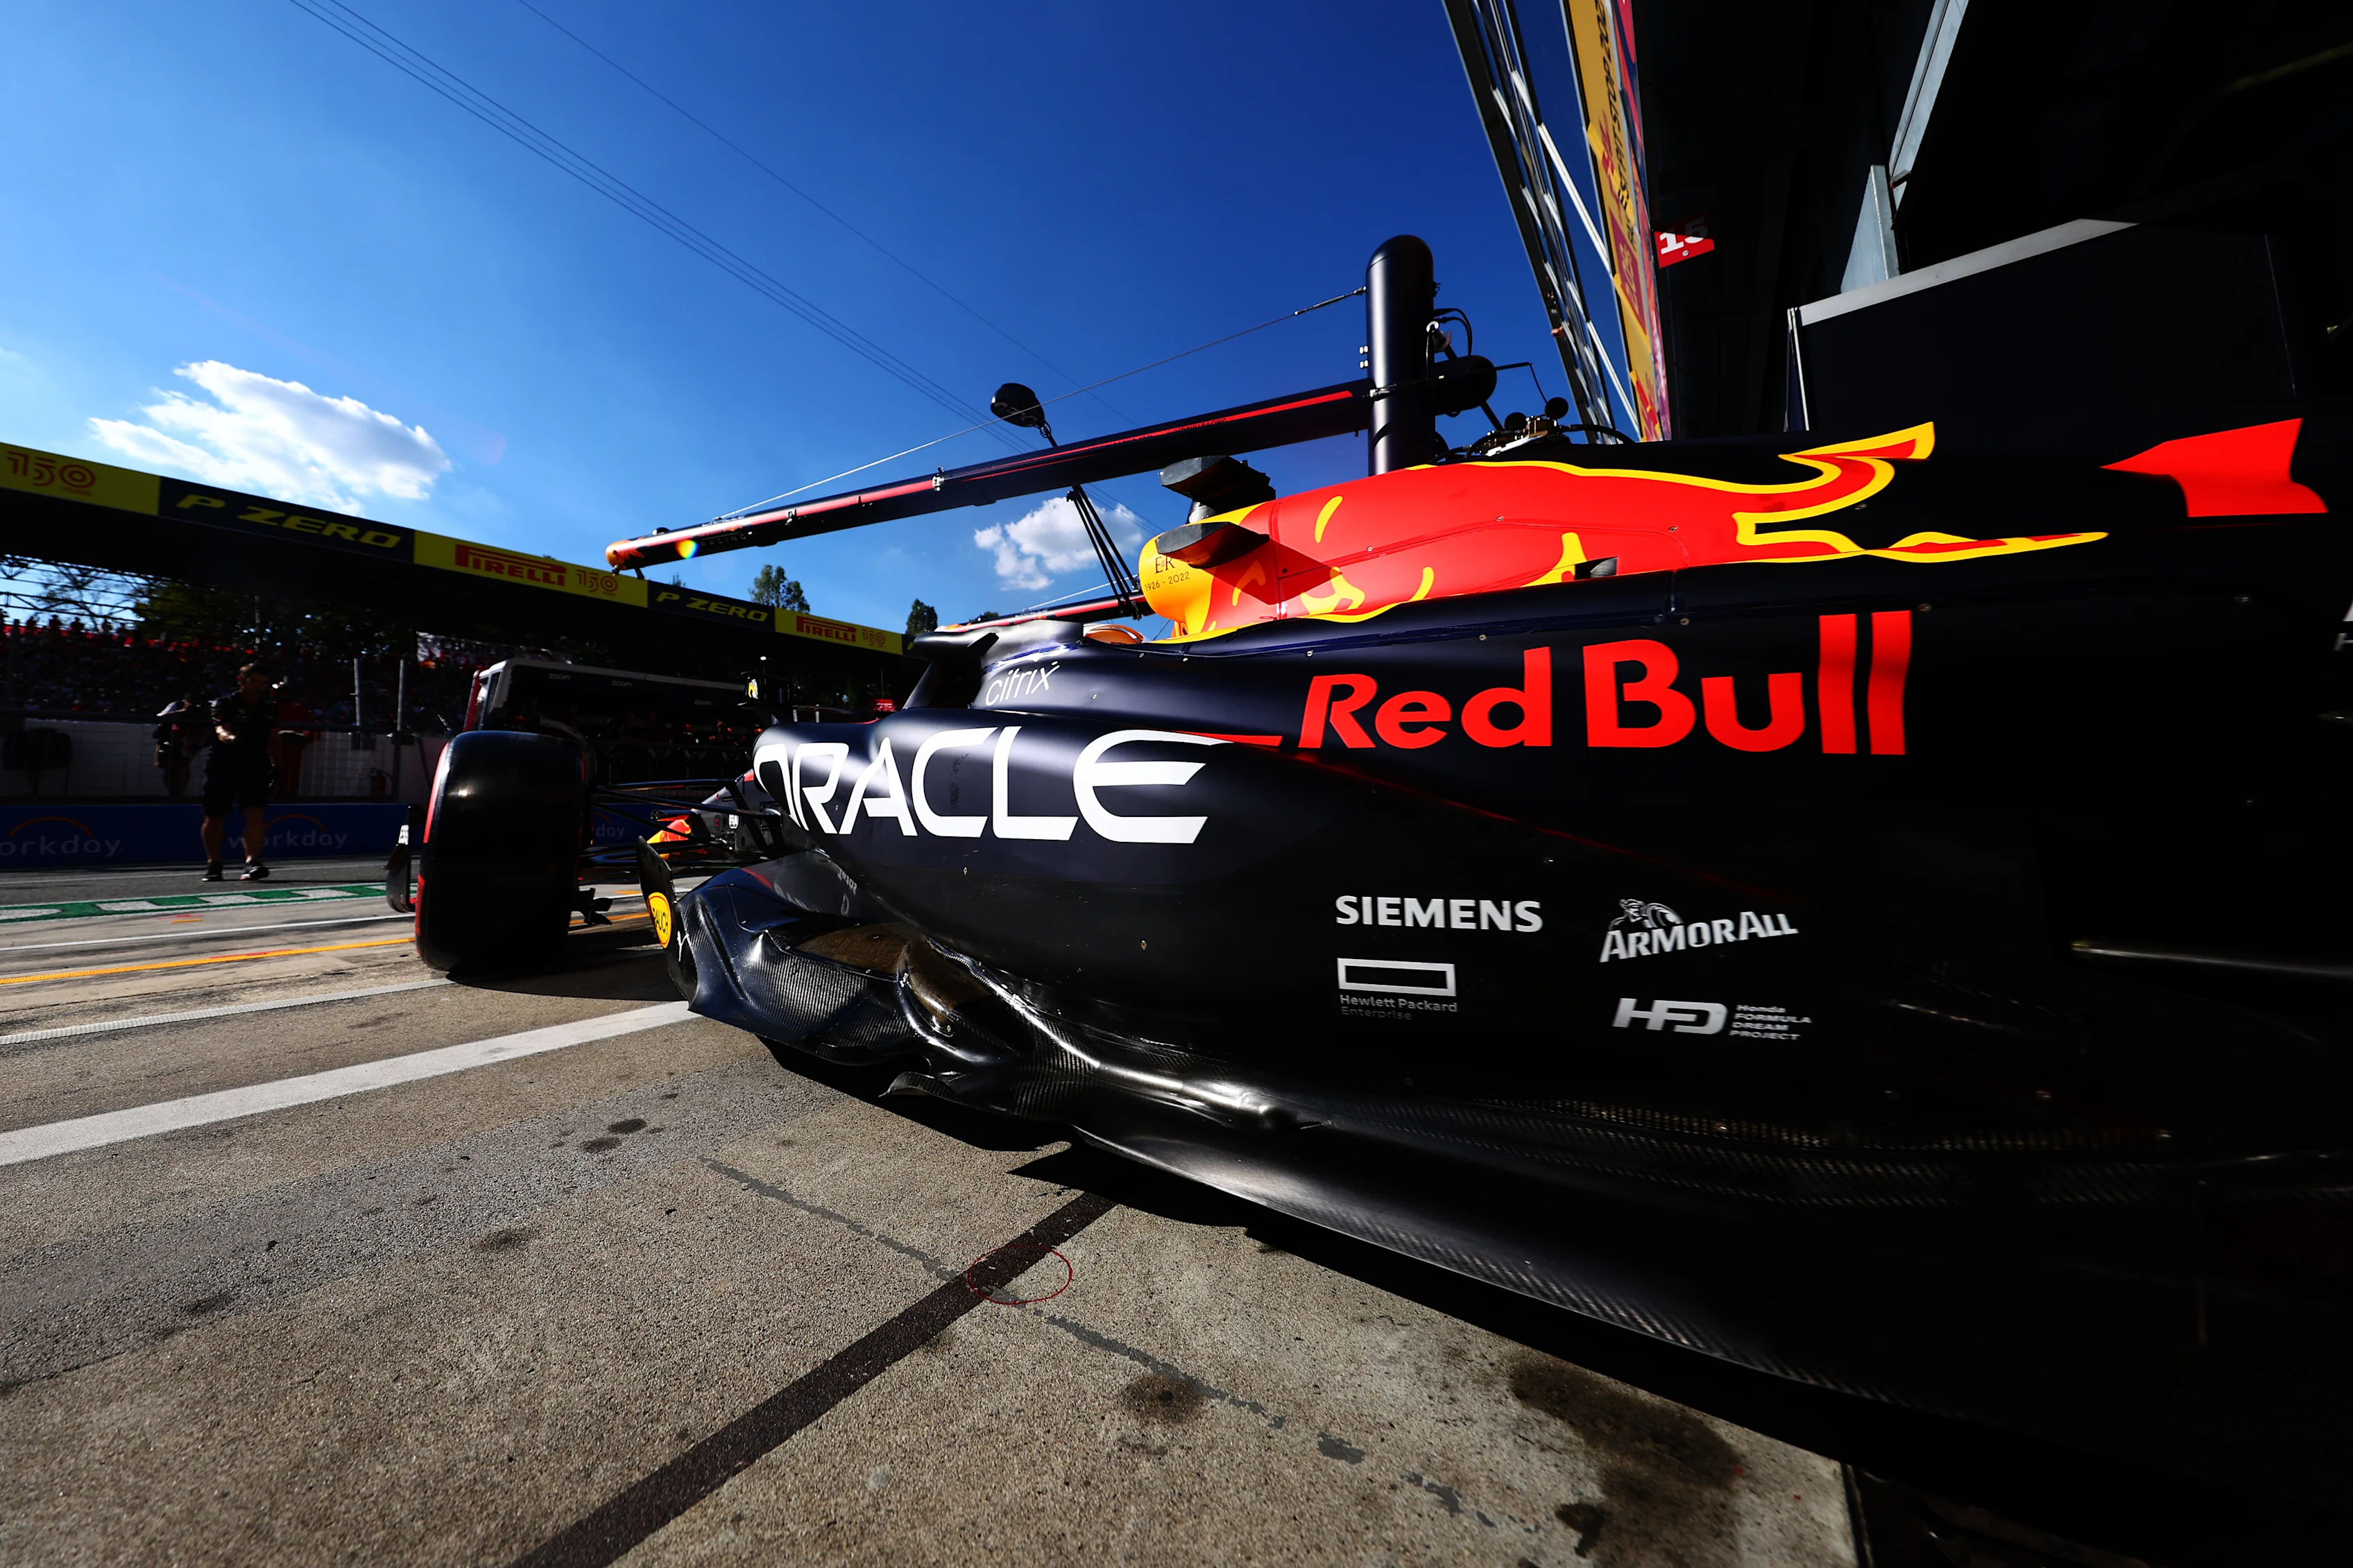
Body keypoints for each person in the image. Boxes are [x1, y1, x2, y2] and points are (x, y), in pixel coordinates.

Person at [200, 664, 280, 881]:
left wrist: (276, 763)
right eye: (254, 681)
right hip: (222, 764)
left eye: (263, 683)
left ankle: (252, 862)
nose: (259, 687)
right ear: (241, 680)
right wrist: (235, 740)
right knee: (214, 816)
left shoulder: (268, 706)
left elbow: (273, 737)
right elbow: (221, 730)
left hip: (255, 766)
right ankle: (213, 864)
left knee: (256, 813)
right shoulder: (224, 703)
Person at [153, 691, 207, 798]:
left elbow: (208, 727)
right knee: (170, 767)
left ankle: (179, 794)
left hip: (190, 742)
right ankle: (173, 794)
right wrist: (182, 712)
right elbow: (160, 717)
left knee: (182, 767)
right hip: (171, 741)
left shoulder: (204, 710)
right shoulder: (177, 705)